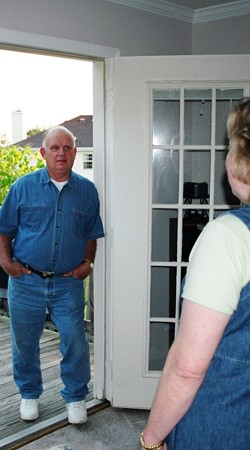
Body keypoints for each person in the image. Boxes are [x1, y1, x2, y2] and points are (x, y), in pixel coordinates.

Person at [140, 99, 250, 450]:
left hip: (225, 425)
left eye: (229, 147)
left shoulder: (228, 237)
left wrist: (151, 439)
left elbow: (187, 368)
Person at [0, 125, 104, 424]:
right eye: (55, 148)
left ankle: (76, 396)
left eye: (67, 148)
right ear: (43, 153)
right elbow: (1, 231)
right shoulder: (22, 188)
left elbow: (92, 233)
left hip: (68, 283)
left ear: (75, 154)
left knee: (75, 341)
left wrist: (87, 263)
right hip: (26, 281)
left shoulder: (87, 191)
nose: (61, 153)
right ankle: (29, 394)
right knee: (25, 342)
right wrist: (7, 265)